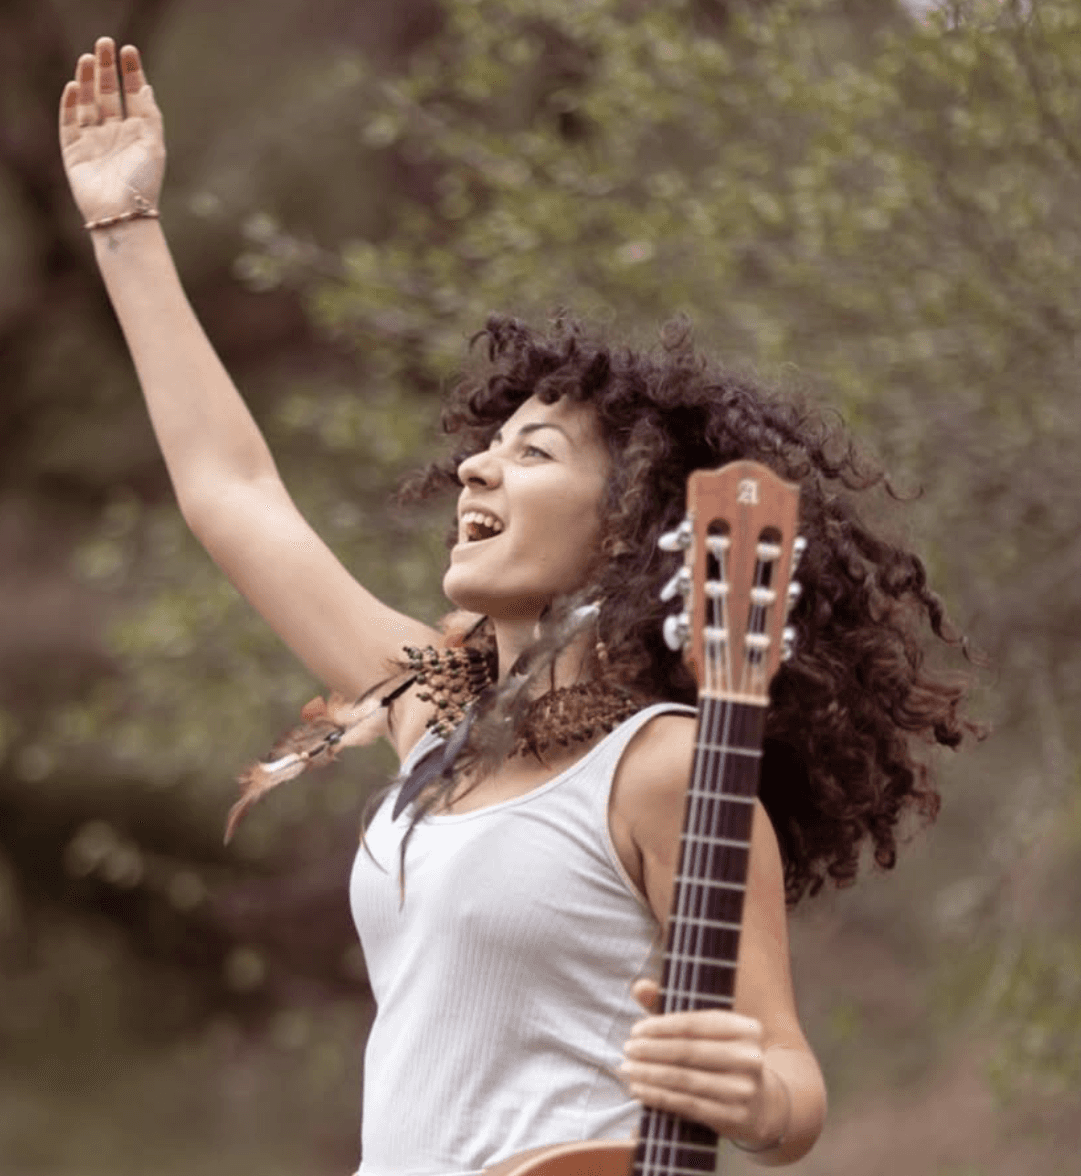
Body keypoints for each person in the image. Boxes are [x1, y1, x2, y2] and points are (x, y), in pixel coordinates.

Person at [59, 37, 978, 1174]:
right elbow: (232, 495)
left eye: (531, 453)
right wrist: (124, 223)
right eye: (483, 449)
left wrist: (751, 1092)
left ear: (629, 524)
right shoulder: (435, 717)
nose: (474, 469)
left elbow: (788, 1080)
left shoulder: (666, 764)